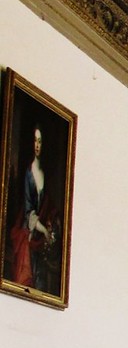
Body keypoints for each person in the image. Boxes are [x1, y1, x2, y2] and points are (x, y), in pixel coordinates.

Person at [6, 125, 57, 293]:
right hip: (28, 233)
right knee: (26, 280)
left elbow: (48, 208)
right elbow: (29, 213)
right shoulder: (29, 172)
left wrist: (48, 230)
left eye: (40, 141)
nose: (37, 145)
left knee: (40, 282)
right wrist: (44, 231)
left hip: (39, 237)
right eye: (35, 140)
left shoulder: (44, 174)